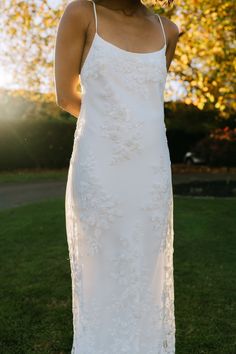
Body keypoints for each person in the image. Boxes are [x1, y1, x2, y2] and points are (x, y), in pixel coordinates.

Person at [54, 0, 179, 352]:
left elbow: (149, 100)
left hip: (150, 172)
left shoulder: (168, 30)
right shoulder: (81, 12)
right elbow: (66, 96)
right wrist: (114, 127)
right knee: (103, 278)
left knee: (144, 279)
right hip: (101, 168)